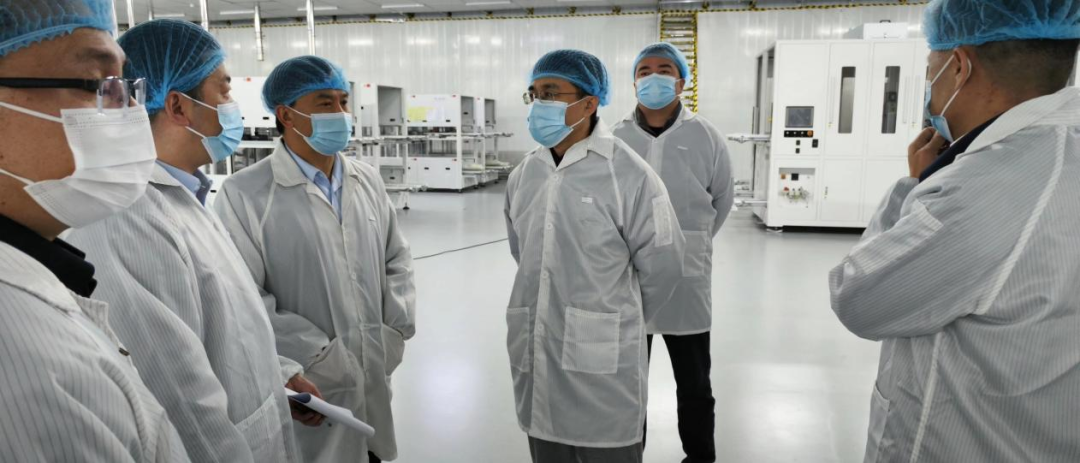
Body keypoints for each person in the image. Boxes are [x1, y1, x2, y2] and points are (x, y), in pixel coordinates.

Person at [829, 1, 1080, 461]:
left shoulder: (983, 189)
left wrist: (911, 187)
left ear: (960, 66)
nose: (930, 89)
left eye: (931, 72)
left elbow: (859, 300)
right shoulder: (1061, 153)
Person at [64, 19, 321, 463]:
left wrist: (276, 374)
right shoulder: (127, 220)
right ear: (179, 106)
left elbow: (221, 326)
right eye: (224, 91)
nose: (233, 107)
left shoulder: (184, 196)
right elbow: (178, 400)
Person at [0, 1, 190, 461]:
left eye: (123, 86)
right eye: (94, 84)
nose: (129, 111)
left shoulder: (45, 265)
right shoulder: (26, 360)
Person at [213, 55, 416, 463]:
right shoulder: (245, 193)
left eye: (343, 101)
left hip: (374, 362)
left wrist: (393, 330)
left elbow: (397, 258)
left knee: (371, 451)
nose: (340, 113)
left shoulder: (366, 179)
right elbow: (243, 296)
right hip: (308, 379)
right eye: (325, 103)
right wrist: (314, 355)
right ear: (286, 114)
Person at [504, 49, 686, 463]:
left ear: (589, 103)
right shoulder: (524, 174)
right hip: (536, 347)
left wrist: (614, 314)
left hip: (604, 359)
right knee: (545, 444)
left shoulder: (629, 174)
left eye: (551, 93)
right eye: (534, 93)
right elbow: (524, 253)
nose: (539, 104)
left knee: (607, 448)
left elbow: (664, 265)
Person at [612, 42, 733, 463]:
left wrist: (691, 241)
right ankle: (628, 454)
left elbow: (722, 199)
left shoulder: (706, 136)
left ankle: (700, 457)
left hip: (687, 278)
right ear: (634, 82)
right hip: (628, 276)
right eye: (644, 70)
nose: (654, 77)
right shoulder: (615, 137)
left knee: (695, 382)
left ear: (681, 82)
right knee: (628, 382)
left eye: (664, 69)